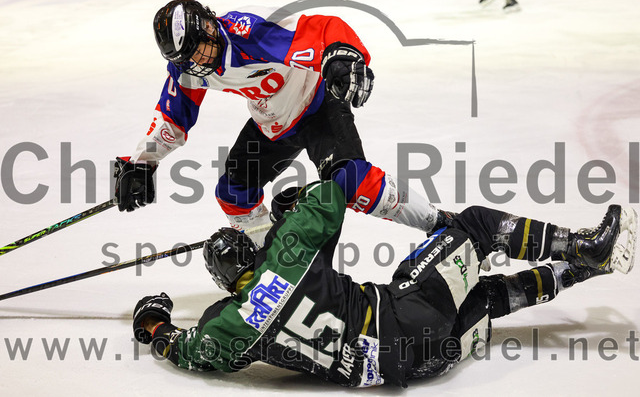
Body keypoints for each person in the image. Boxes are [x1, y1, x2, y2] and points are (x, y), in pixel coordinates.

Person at [132, 180, 637, 387]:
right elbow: (331, 195)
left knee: (483, 296)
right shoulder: (287, 255)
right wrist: (292, 205)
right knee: (477, 226)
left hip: (416, 366)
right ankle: (582, 246)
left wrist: (155, 323)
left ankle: (581, 271)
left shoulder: (229, 325)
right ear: (254, 252)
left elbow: (188, 349)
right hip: (407, 314)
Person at [113, 0, 437, 247]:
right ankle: (272, 258)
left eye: (197, 50)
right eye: (186, 59)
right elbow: (172, 116)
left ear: (210, 26)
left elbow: (324, 28)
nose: (197, 63)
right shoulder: (189, 67)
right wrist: (143, 162)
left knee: (350, 182)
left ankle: (438, 223)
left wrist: (343, 56)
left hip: (317, 104)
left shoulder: (252, 33)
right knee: (233, 195)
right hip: (273, 123)